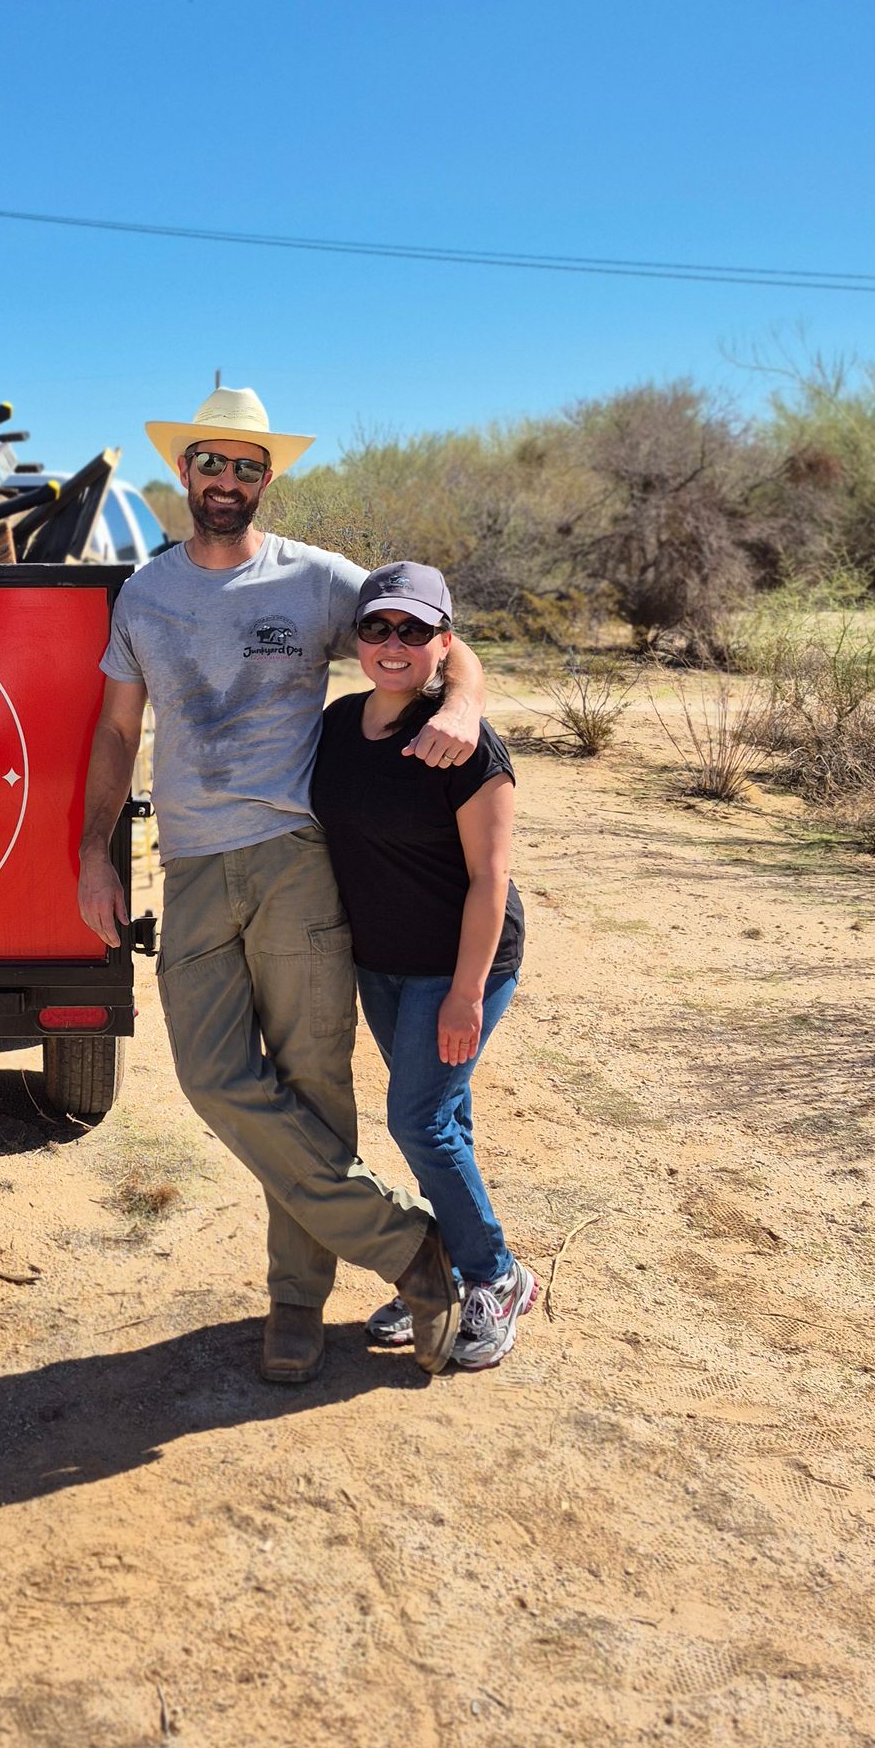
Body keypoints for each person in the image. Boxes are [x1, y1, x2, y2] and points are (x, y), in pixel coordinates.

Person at [77, 386, 490, 1380]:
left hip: (300, 859)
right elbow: (118, 731)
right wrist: (95, 848)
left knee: (312, 1082)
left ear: (269, 478)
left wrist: (466, 701)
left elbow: (434, 632)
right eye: (212, 464)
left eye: (247, 468)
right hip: (192, 863)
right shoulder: (144, 593)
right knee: (213, 1075)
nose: (227, 482)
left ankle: (296, 1303)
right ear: (184, 474)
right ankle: (408, 1244)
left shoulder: (316, 580)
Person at [310, 561, 536, 1368]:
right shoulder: (337, 726)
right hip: (382, 963)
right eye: (377, 628)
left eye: (414, 630)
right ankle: (441, 1278)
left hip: (460, 962)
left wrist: (468, 995)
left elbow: (489, 878)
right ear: (357, 641)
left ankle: (497, 1276)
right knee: (446, 1119)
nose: (393, 644)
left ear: (444, 641)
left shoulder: (467, 746)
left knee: (418, 1119)